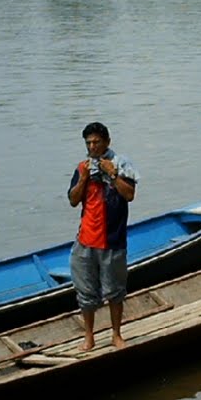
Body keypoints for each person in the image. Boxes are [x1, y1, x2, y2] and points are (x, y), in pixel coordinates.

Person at [67, 121, 140, 351]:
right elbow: (73, 200)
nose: (92, 146)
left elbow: (129, 195)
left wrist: (113, 174)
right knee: (85, 293)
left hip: (112, 240)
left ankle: (116, 335)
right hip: (86, 241)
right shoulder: (83, 167)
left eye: (96, 142)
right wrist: (83, 179)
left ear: (107, 141)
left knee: (115, 292)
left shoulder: (121, 164)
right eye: (88, 143)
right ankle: (89, 337)